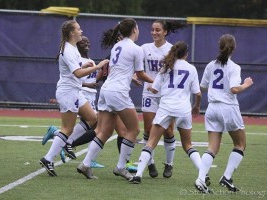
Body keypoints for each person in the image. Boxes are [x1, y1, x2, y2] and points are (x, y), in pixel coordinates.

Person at [76, 18, 154, 180]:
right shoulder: (135, 48)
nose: (139, 31)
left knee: (105, 131)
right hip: (118, 92)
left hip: (106, 90)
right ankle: (120, 167)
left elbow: (117, 69)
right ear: (134, 30)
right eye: (138, 28)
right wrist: (158, 82)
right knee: (133, 130)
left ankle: (85, 164)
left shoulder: (117, 46)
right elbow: (140, 74)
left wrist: (130, 77)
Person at [39, 20, 109, 177]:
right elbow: (76, 73)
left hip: (75, 91)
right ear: (71, 33)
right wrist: (97, 66)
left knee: (92, 118)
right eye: (78, 29)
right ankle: (48, 158)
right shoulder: (69, 50)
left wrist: (86, 71)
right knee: (67, 128)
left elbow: (74, 72)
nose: (81, 31)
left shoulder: (72, 48)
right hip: (68, 92)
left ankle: (68, 142)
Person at [129, 41, 202, 184]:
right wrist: (196, 107)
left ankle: (138, 175)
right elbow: (198, 93)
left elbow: (155, 89)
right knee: (188, 145)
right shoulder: (191, 68)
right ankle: (203, 174)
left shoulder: (166, 66)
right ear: (186, 54)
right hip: (183, 109)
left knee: (150, 142)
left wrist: (150, 89)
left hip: (166, 107)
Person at [194, 34, 253, 193]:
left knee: (212, 148)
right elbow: (234, 89)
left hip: (212, 108)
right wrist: (246, 84)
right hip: (228, 108)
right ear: (234, 48)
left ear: (219, 47)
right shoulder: (234, 67)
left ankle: (201, 179)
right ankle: (226, 177)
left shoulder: (211, 65)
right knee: (240, 144)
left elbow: (203, 86)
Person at [140, 20, 187, 178]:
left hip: (166, 95)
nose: (154, 33)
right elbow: (138, 68)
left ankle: (169, 164)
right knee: (148, 129)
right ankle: (150, 163)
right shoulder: (145, 48)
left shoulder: (171, 50)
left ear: (165, 32)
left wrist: (159, 84)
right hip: (149, 93)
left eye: (158, 30)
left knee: (168, 131)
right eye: (152, 30)